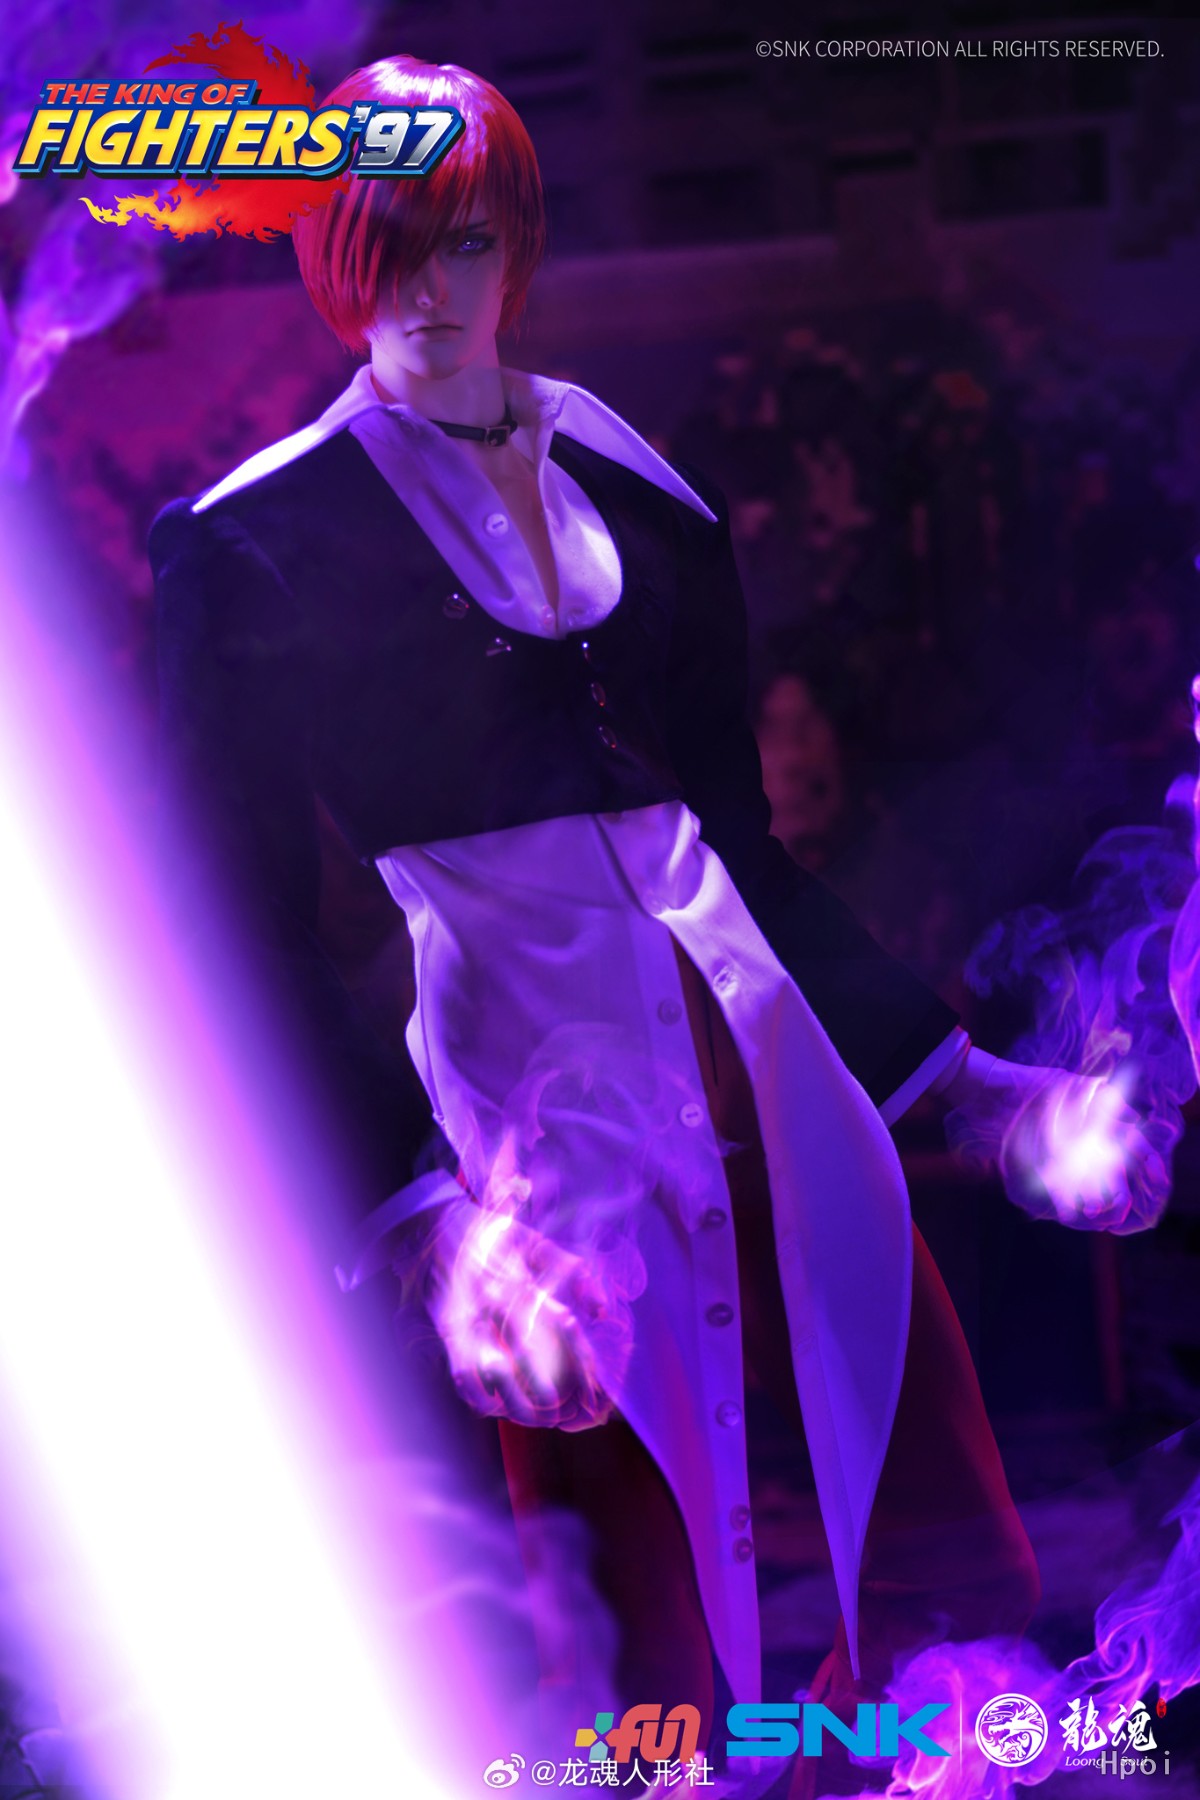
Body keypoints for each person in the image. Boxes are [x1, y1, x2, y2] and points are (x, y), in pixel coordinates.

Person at [150, 54, 1162, 1795]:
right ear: (331, 252)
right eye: (388, 246)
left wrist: (967, 1087)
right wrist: (411, 1212)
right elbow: (227, 932)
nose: (429, 291)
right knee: (634, 1676)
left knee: (935, 1588)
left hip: (786, 1092)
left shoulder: (645, 489)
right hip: (535, 1139)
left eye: (466, 242)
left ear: (517, 244)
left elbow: (740, 853)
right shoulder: (257, 545)